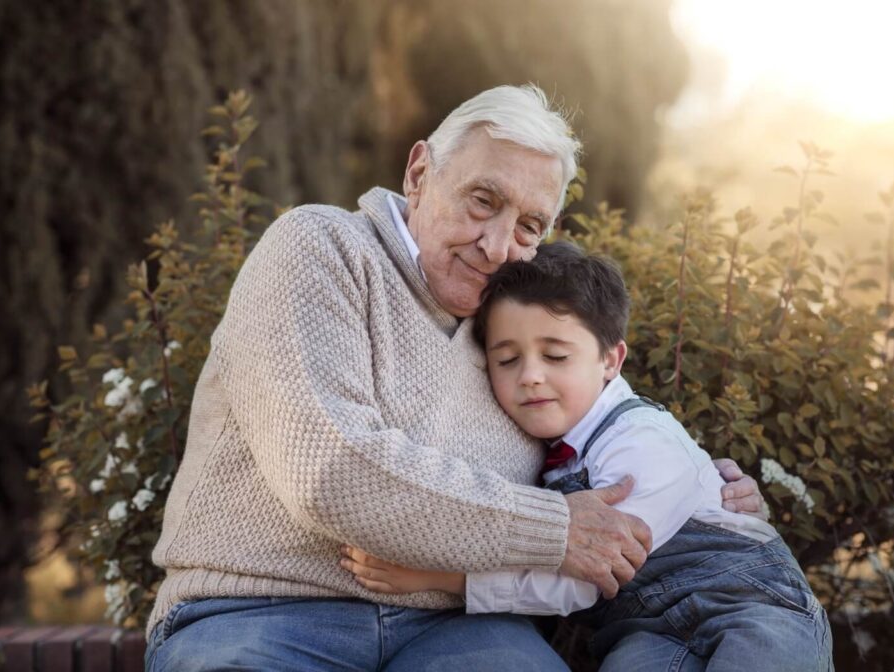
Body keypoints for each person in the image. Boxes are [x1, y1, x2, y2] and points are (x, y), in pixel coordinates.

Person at [144, 84, 767, 671]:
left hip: (459, 626)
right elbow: (329, 471)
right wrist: (554, 529)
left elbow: (602, 435)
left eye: (529, 226)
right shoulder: (321, 247)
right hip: (260, 609)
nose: (498, 246)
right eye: (483, 201)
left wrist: (710, 495)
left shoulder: (511, 329)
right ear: (419, 174)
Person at [341, 242, 833, 671]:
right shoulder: (545, 453)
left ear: (610, 361)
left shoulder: (641, 440)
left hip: (753, 609)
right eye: (507, 359)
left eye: (555, 356)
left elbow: (585, 578)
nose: (530, 376)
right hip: (647, 631)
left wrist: (442, 579)